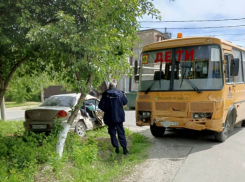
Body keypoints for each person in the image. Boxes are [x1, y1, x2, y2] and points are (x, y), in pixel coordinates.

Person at [98, 79, 128, 155]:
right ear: (116, 86)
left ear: (109, 86)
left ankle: (116, 147)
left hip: (109, 117)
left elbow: (100, 106)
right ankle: (124, 149)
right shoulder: (120, 93)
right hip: (119, 117)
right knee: (121, 132)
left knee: (112, 132)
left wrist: (107, 110)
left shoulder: (106, 94)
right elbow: (125, 102)